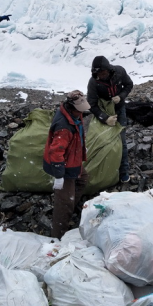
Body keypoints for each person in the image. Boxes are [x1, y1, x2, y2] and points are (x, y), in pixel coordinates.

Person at [43, 90, 91, 239]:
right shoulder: (64, 126)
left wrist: (81, 147)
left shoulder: (74, 115)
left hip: (73, 160)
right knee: (64, 204)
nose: (81, 113)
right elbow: (56, 152)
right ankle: (57, 237)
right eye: (79, 111)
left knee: (82, 179)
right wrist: (59, 176)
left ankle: (71, 205)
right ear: (71, 108)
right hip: (65, 166)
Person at [86, 56, 134, 183]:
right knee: (103, 139)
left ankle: (123, 171)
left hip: (120, 109)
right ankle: (105, 170)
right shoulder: (93, 82)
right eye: (98, 73)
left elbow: (129, 84)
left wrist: (121, 96)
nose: (101, 76)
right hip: (104, 110)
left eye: (103, 73)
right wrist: (105, 118)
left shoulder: (119, 71)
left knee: (121, 140)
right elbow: (91, 104)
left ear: (109, 70)